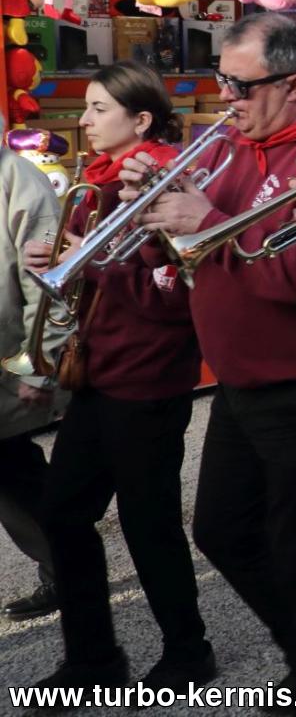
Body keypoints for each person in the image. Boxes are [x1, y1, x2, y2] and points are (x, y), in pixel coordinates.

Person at [122, 13, 296, 711]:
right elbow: (189, 255)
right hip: (243, 373)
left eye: (239, 83)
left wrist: (203, 223)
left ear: (293, 85)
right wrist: (152, 213)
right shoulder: (237, 141)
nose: (224, 95)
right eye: (221, 79)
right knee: (224, 531)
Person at [24, 64, 214, 694]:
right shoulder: (99, 182)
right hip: (100, 374)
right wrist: (71, 260)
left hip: (149, 377)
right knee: (64, 513)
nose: (82, 120)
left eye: (98, 108)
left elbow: (175, 298)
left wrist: (89, 260)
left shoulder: (164, 181)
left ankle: (188, 653)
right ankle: (92, 659)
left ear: (140, 120)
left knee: (148, 521)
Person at [0, 134, 70, 626]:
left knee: (14, 473)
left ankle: (68, 568)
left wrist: (40, 366)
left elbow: (45, 280)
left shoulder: (18, 178)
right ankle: (66, 566)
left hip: (6, 358)